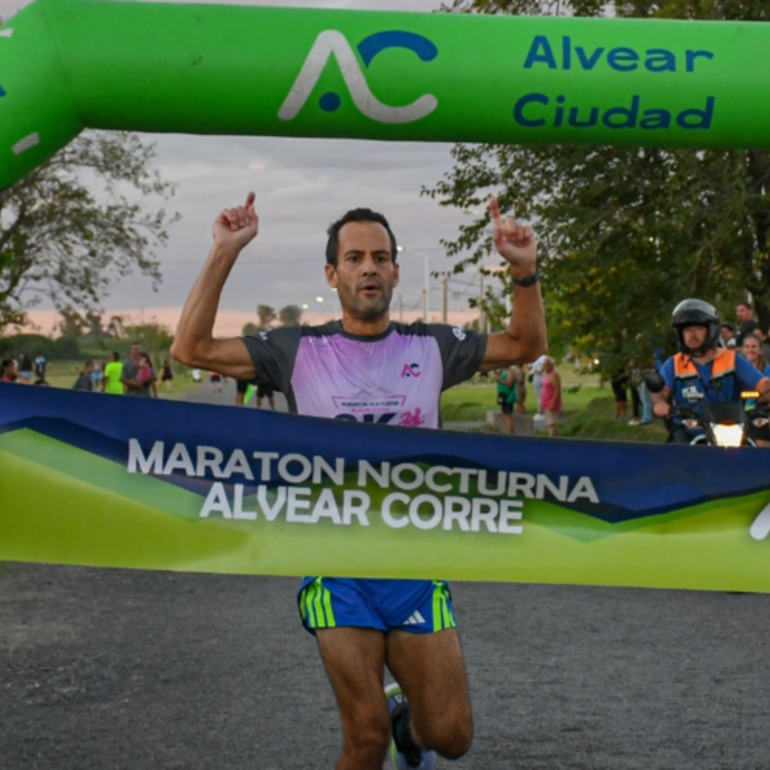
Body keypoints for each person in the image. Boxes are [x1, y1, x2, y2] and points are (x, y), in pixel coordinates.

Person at [170, 191, 546, 770]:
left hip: (414, 564)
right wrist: (224, 253)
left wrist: (524, 271)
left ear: (394, 270)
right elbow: (189, 347)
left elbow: (527, 345)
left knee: (450, 736)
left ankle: (410, 732)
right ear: (333, 272)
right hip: (335, 563)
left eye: (380, 256)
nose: (368, 266)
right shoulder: (296, 350)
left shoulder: (432, 345)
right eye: (354, 258)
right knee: (363, 741)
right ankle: (386, 729)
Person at [652, 299, 770, 443]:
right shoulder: (674, 364)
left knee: (754, 454)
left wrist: (766, 391)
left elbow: (761, 383)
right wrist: (660, 403)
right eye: (687, 330)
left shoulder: (731, 359)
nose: (692, 334)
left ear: (711, 330)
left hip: (730, 428)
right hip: (690, 431)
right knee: (675, 451)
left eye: (698, 329)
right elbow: (660, 392)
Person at [737, 332, 770, 446]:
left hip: (761, 413)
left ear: (761, 350)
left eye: (754, 347)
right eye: (746, 346)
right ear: (742, 350)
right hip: (736, 414)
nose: (750, 350)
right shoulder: (732, 369)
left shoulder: (767, 372)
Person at [540, 356, 562, 437]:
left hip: (551, 403)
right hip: (546, 403)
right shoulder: (547, 375)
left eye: (546, 365)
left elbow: (557, 390)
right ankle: (557, 439)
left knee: (551, 424)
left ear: (551, 365)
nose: (544, 367)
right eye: (544, 365)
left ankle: (551, 440)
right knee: (550, 423)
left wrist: (553, 403)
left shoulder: (554, 375)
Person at [495, 365, 517, 434]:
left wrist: (499, 379)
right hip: (502, 395)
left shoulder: (511, 372)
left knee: (508, 416)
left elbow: (509, 383)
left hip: (508, 396)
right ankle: (508, 431)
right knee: (505, 416)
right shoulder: (502, 371)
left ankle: (511, 434)